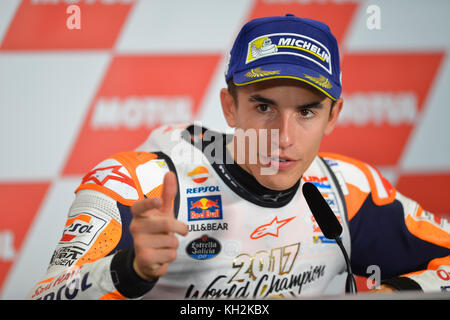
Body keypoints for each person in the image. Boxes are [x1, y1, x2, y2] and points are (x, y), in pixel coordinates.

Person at [28, 14, 449, 300]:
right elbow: (46, 295)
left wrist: (395, 293)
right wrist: (128, 270)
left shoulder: (350, 188)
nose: (283, 139)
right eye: (264, 107)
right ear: (230, 107)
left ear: (333, 115)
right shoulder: (136, 182)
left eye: (306, 111)